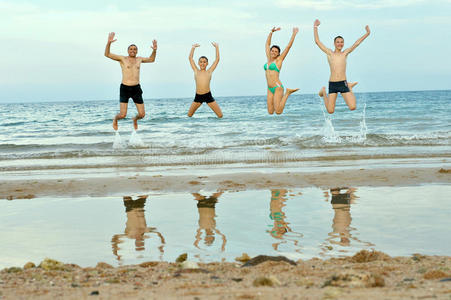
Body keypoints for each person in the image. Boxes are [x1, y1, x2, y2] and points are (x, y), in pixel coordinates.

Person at [314, 19, 370, 114]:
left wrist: (367, 33)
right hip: (333, 84)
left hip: (343, 83)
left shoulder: (345, 53)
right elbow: (317, 42)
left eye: (342, 42)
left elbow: (356, 43)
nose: (340, 44)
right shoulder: (329, 53)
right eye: (338, 42)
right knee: (330, 111)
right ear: (334, 43)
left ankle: (350, 87)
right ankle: (323, 91)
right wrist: (315, 27)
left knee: (353, 107)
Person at [104, 32, 157, 130]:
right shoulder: (122, 59)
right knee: (123, 115)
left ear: (137, 51)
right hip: (125, 88)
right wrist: (109, 43)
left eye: (135, 49)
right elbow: (107, 54)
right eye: (131, 49)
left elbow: (152, 59)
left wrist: (154, 50)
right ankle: (115, 119)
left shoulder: (139, 59)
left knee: (142, 114)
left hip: (136, 88)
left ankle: (135, 119)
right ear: (128, 51)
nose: (133, 50)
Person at [264, 27, 299, 115]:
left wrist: (294, 34)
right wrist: (271, 32)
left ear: (278, 54)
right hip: (269, 88)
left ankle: (287, 93)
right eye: (272, 50)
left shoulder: (279, 60)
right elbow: (267, 44)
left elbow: (288, 47)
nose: (273, 52)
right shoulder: (268, 59)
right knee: (270, 112)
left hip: (277, 87)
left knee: (278, 111)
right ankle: (287, 93)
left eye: (276, 52)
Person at [188, 43, 223, 118]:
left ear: (207, 63)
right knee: (189, 115)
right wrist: (193, 47)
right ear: (198, 63)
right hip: (198, 96)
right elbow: (190, 58)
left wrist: (216, 47)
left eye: (204, 62)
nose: (202, 63)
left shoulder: (209, 71)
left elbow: (217, 59)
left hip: (208, 95)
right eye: (201, 62)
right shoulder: (196, 71)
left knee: (220, 115)